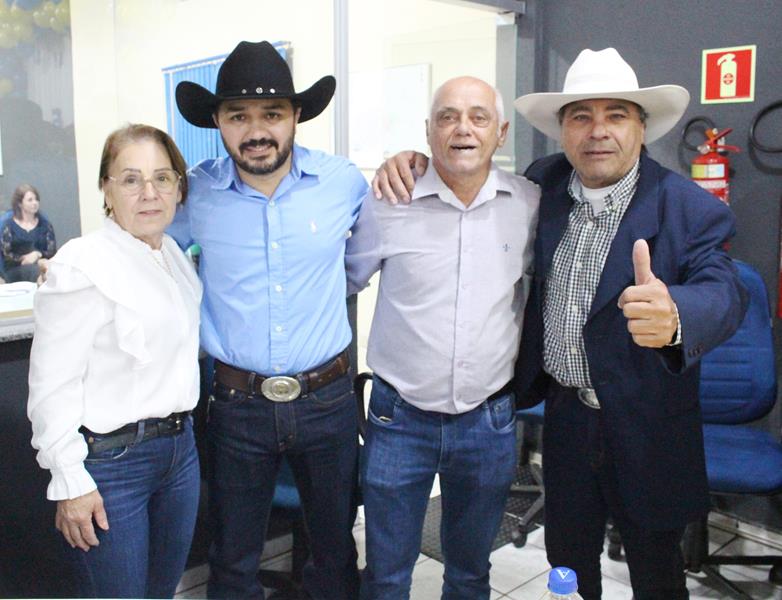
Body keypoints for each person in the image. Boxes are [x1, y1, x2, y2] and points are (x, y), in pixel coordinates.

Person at [375, 48, 747, 600]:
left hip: (647, 425)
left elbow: (727, 289)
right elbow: (465, 170)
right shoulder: (540, 186)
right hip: (568, 420)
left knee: (655, 570)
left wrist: (677, 317)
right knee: (567, 564)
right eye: (581, 116)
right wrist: (414, 159)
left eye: (616, 115)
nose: (598, 132)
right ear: (562, 131)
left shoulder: (685, 206)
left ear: (641, 128)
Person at [170, 40, 368, 599]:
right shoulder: (194, 194)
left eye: (272, 114)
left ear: (297, 116)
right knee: (232, 558)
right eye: (238, 116)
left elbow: (359, 264)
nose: (256, 131)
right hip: (236, 407)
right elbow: (148, 254)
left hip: (329, 401)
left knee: (335, 552)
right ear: (217, 122)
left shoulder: (343, 183)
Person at [346, 76, 539, 600]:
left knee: (471, 573)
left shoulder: (528, 204)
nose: (462, 129)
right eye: (447, 116)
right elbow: (344, 282)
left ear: (500, 133)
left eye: (478, 117)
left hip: (488, 419)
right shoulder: (389, 200)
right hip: (397, 418)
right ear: (428, 132)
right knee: (386, 575)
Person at [27, 124, 202, 599]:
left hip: (179, 455)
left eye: (162, 178)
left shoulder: (171, 254)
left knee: (161, 592)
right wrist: (69, 480)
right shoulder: (82, 265)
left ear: (178, 186)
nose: (149, 193)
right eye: (131, 179)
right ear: (106, 187)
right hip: (113, 466)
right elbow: (50, 386)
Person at [1, 184, 56, 282]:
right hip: (15, 268)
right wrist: (24, 259)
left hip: (42, 264)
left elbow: (51, 251)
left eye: (36, 199)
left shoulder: (45, 224)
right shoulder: (8, 225)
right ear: (20, 203)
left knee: (50, 270)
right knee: (35, 271)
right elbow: (7, 255)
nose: (35, 203)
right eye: (30, 200)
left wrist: (37, 254)